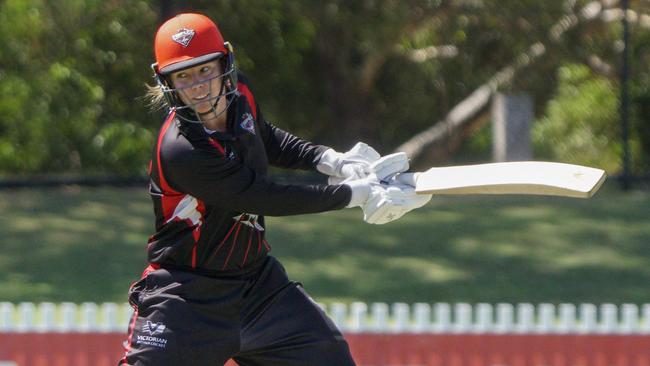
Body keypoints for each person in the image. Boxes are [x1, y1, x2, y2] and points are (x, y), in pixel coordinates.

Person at [119, 13, 431, 366]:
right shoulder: (182, 150)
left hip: (258, 287)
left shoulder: (241, 95)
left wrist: (330, 159)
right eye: (184, 75)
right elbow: (260, 196)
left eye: (205, 69)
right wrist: (354, 194)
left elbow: (263, 136)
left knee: (331, 359)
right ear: (167, 83)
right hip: (188, 297)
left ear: (225, 62)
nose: (198, 86)